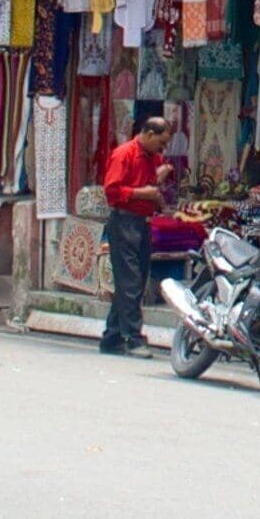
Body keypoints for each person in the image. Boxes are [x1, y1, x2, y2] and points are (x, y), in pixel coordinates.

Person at [97, 112, 171, 355]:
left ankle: (112, 336)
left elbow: (150, 186)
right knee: (130, 281)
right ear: (149, 134)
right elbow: (112, 191)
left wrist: (157, 184)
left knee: (135, 281)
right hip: (123, 222)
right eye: (161, 142)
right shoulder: (124, 154)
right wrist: (144, 193)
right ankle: (133, 337)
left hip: (142, 222)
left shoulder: (152, 157)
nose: (163, 148)